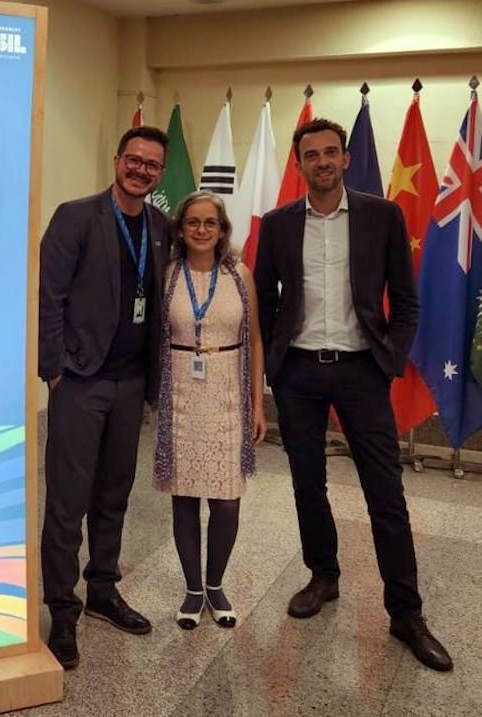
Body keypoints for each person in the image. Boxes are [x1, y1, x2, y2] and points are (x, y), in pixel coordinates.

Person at [253, 117, 452, 672]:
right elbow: (264, 298)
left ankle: (406, 612)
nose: (321, 162)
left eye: (330, 153)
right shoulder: (277, 224)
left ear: (345, 159)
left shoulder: (382, 216)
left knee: (385, 493)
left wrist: (388, 359)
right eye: (310, 154)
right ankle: (324, 574)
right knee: (307, 484)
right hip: (299, 377)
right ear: (298, 165)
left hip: (362, 371)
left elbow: (406, 302)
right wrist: (276, 365)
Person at [38, 125, 172, 669]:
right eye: (134, 160)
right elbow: (47, 295)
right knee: (68, 503)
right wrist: (53, 371)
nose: (141, 170)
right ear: (117, 161)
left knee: (115, 494)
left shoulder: (162, 228)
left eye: (152, 165)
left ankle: (103, 591)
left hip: (132, 384)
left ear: (160, 174)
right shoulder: (76, 216)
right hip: (80, 381)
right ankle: (62, 611)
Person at [153, 191, 266, 630]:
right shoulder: (168, 274)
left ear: (222, 231)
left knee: (226, 502)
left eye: (210, 223)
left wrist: (257, 404)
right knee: (184, 497)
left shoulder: (240, 274)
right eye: (193, 222)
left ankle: (216, 584)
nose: (202, 229)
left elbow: (255, 340)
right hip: (181, 394)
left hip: (226, 395)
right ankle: (193, 589)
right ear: (181, 229)